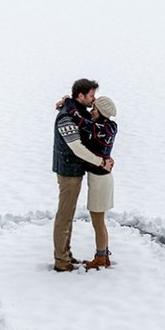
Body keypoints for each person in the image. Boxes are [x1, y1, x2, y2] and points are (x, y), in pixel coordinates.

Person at [52, 79, 113, 272]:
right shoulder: (67, 118)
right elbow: (77, 148)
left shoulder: (77, 110)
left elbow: (90, 123)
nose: (93, 101)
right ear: (81, 96)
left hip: (75, 170)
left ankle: (66, 255)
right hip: (68, 172)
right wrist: (101, 162)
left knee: (68, 216)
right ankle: (62, 261)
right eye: (91, 96)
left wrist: (66, 100)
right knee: (65, 216)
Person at [68, 95, 118, 271]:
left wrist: (67, 102)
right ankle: (103, 254)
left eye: (94, 109)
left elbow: (79, 120)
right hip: (103, 178)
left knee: (98, 223)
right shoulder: (111, 126)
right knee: (99, 222)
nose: (91, 111)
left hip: (99, 181)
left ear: (102, 113)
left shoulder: (100, 129)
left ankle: (101, 258)